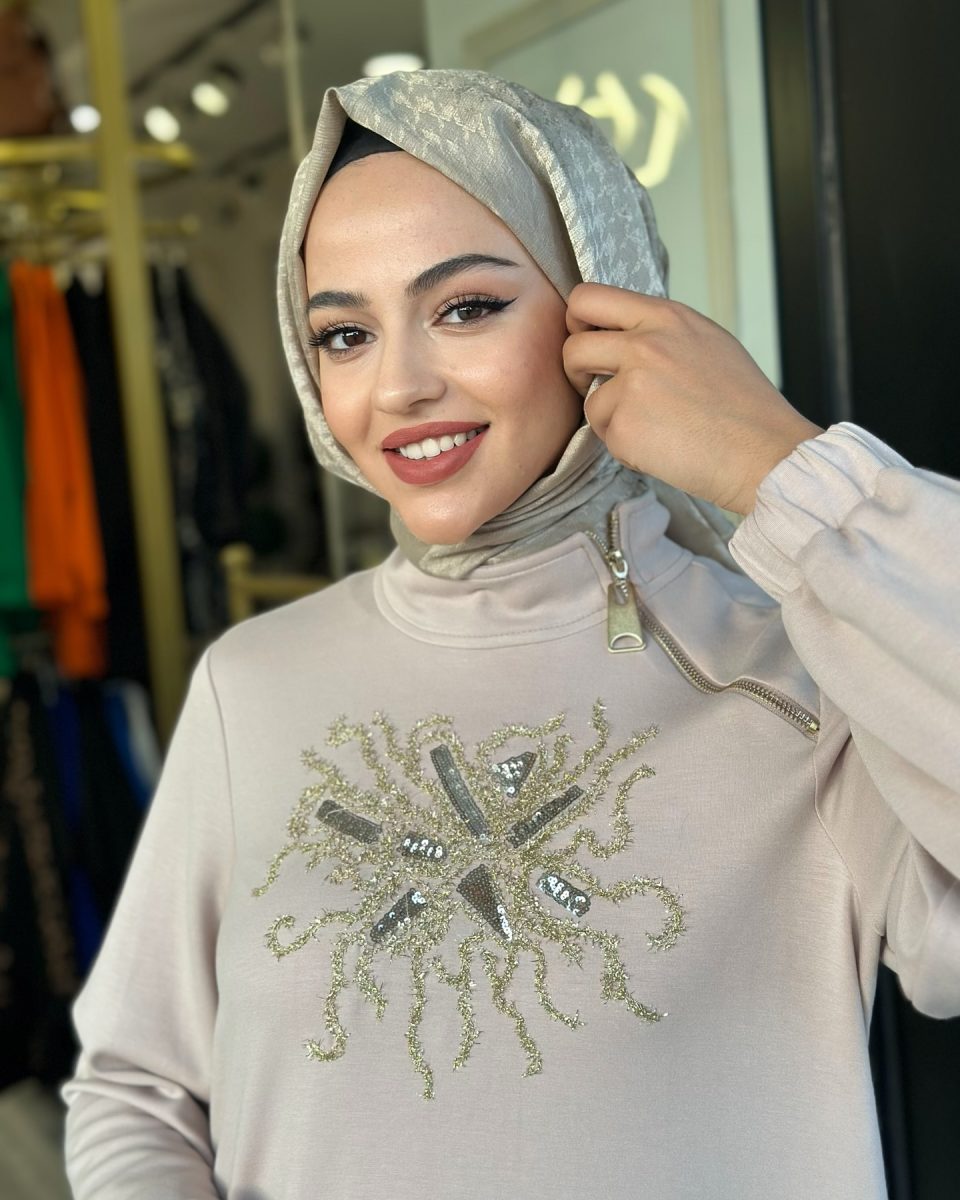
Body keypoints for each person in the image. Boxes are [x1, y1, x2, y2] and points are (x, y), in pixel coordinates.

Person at [62, 69, 960, 1199]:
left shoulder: (801, 674)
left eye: (466, 308)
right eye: (344, 334)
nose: (399, 386)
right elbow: (135, 1088)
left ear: (606, 312)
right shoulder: (253, 683)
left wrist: (781, 469)